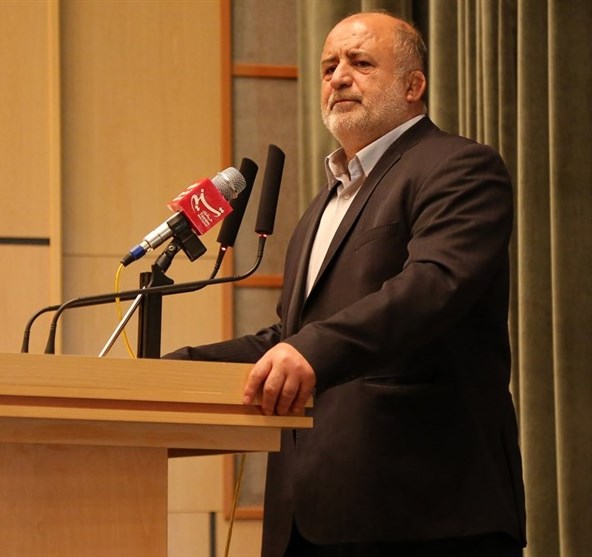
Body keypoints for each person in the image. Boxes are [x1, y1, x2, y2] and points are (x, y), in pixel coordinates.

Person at [165, 11, 526, 557]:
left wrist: (307, 349)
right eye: (329, 66)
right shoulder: (323, 203)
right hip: (309, 513)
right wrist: (172, 372)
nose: (338, 77)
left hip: (423, 509)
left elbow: (432, 286)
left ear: (413, 85)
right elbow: (291, 337)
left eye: (360, 63)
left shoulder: (459, 167)